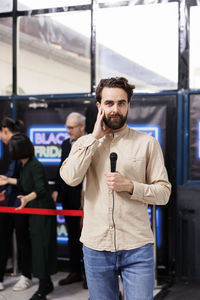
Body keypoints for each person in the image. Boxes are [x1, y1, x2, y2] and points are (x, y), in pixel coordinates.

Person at [60, 77, 172, 300]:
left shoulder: (147, 143)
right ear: (99, 106)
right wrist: (94, 138)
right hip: (96, 247)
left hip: (137, 246)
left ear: (128, 105)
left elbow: (164, 193)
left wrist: (131, 186)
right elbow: (70, 178)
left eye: (121, 103)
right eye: (109, 103)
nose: (115, 109)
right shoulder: (84, 143)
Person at [0, 134, 57, 300]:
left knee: (41, 248)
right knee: (38, 248)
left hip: (42, 213)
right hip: (34, 212)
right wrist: (8, 180)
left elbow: (41, 189)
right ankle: (46, 283)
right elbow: (25, 183)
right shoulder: (25, 165)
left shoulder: (35, 166)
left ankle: (42, 289)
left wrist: (26, 198)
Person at [52, 112, 86, 287]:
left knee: (87, 239)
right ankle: (75, 271)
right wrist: (56, 190)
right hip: (67, 198)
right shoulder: (66, 144)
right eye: (67, 127)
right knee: (72, 236)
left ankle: (89, 276)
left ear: (82, 127)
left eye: (71, 127)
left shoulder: (90, 144)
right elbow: (61, 168)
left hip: (85, 199)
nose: (68, 131)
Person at [0, 117, 32, 292]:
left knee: (22, 240)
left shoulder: (21, 144)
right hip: (8, 202)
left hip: (21, 202)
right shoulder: (12, 147)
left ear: (5, 130)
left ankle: (26, 275)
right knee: (3, 239)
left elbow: (27, 180)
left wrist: (7, 181)